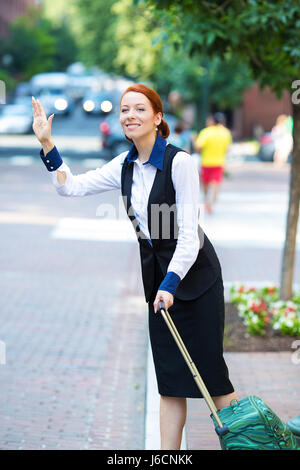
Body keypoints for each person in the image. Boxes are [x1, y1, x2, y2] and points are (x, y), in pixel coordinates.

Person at [32, 84, 239, 450]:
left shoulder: (180, 163)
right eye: (125, 110)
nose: (130, 115)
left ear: (158, 118)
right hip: (159, 282)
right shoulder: (124, 165)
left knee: (212, 377)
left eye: (139, 109)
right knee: (170, 381)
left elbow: (189, 237)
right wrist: (48, 145)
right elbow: (72, 188)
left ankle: (251, 442)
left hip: (195, 279)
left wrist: (170, 284)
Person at [195, 112, 232, 214]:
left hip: (206, 162)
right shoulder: (226, 133)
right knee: (216, 184)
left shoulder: (206, 132)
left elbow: (198, 147)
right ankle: (211, 203)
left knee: (205, 183)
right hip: (219, 162)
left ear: (212, 121)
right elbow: (227, 149)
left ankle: (206, 200)